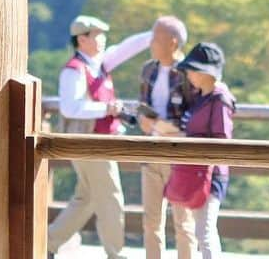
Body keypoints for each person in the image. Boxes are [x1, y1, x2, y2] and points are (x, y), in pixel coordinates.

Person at [48, 14, 152, 259]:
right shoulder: (74, 71)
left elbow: (125, 48)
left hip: (96, 142)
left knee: (87, 198)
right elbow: (70, 108)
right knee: (111, 197)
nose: (103, 39)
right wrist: (106, 108)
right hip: (90, 143)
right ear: (82, 39)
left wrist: (152, 34)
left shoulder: (98, 64)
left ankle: (48, 243)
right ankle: (116, 254)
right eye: (97, 34)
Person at [168, 43, 236, 259]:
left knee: (204, 232)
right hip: (198, 172)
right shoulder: (203, 97)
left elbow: (222, 139)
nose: (188, 74)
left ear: (205, 72)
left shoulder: (219, 99)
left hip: (210, 173)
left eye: (192, 69)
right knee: (203, 231)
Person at [137, 16, 196, 259]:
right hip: (151, 150)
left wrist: (162, 125)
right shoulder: (148, 69)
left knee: (183, 223)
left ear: (173, 42)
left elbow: (193, 117)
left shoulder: (188, 74)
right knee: (151, 221)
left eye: (156, 37)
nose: (151, 42)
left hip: (178, 154)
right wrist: (143, 120)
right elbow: (142, 106)